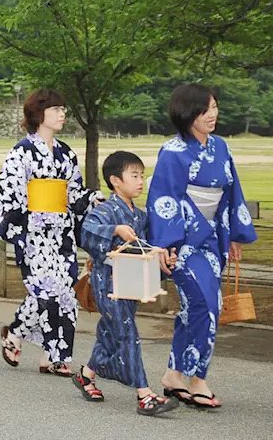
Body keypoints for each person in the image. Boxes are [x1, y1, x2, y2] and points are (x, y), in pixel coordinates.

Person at [147, 84, 257, 410]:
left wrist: (235, 234)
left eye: (215, 107)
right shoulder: (172, 152)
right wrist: (166, 244)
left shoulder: (221, 147)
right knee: (208, 305)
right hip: (183, 242)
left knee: (192, 308)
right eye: (206, 109)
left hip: (212, 238)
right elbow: (163, 199)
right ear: (189, 113)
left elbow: (233, 190)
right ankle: (197, 378)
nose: (214, 114)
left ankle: (173, 374)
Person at [0, 88, 99, 376]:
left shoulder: (66, 152)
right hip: (34, 233)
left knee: (65, 293)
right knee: (47, 290)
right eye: (56, 109)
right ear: (39, 113)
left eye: (63, 109)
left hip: (62, 234)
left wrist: (93, 199)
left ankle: (35, 346)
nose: (62, 114)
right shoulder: (23, 151)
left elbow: (73, 193)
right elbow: (8, 191)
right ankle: (50, 353)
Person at [77, 151, 178, 415]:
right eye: (134, 175)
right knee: (126, 332)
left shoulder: (140, 215)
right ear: (115, 181)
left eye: (142, 175)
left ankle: (86, 374)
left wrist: (163, 259)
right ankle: (144, 395)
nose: (140, 181)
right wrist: (114, 230)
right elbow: (86, 233)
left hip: (132, 282)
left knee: (112, 332)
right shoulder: (104, 211)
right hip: (108, 283)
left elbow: (145, 249)